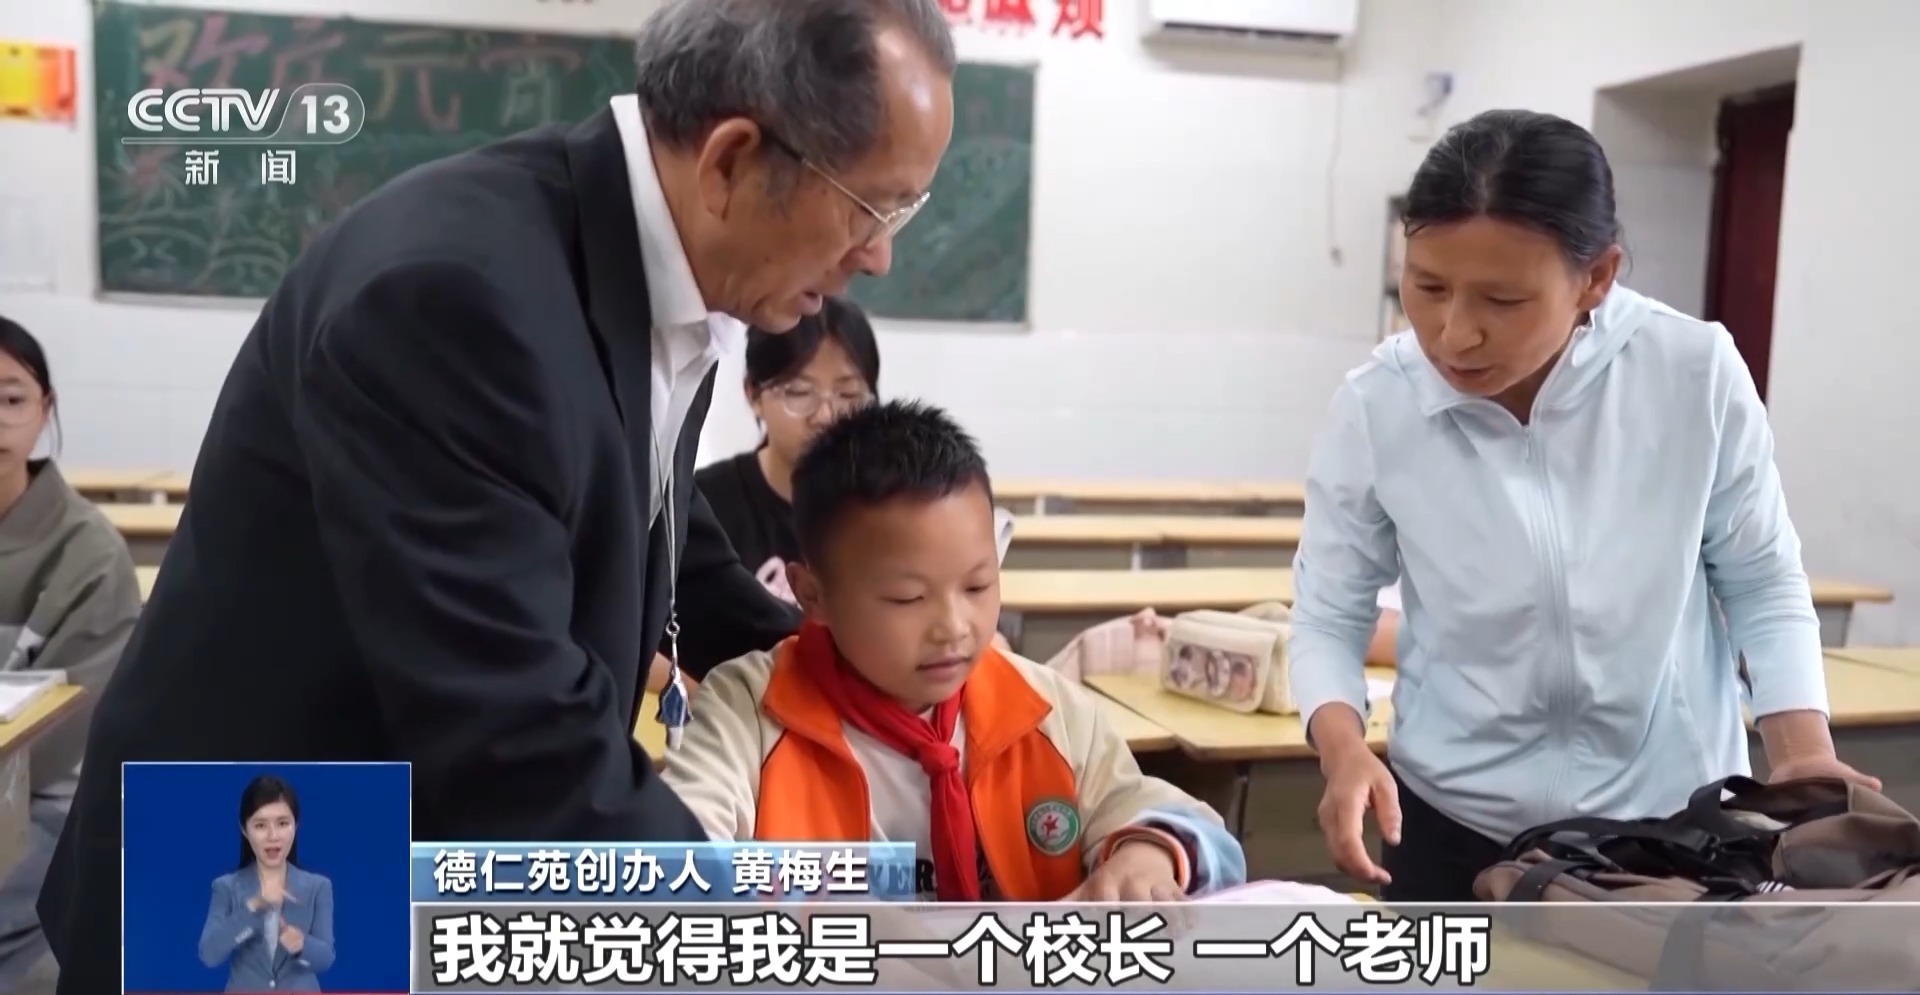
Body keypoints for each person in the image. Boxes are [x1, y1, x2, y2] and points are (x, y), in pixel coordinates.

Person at [42, 1, 958, 988]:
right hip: (251, 851)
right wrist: (760, 936)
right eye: (872, 208)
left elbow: (643, 518)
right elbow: (519, 735)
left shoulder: (644, 263)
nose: (879, 256)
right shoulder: (458, 300)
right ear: (731, 160)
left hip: (385, 826)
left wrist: (853, 662)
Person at [1287, 109, 1872, 903]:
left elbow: (1761, 577)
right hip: (1448, 825)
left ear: (1596, 277)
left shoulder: (1691, 372)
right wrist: (1342, 746)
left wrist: (1800, 750)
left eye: (1502, 299)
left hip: (1669, 829)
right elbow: (1329, 611)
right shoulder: (1378, 405)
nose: (1454, 335)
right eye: (1427, 287)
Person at [663, 400, 1246, 901]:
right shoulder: (751, 711)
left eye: (977, 586)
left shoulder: (1045, 711)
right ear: (812, 595)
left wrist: (1148, 853)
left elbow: (1198, 834)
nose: (954, 627)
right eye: (907, 598)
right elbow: (678, 855)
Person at [0, 318, 141, 988]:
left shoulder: (88, 552)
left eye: (11, 398)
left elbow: (62, 735)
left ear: (45, 408)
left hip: (38, 797)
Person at [696, 296, 881, 602]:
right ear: (753, 394)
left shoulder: (891, 511)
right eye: (799, 392)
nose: (826, 416)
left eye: (848, 394)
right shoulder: (703, 508)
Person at [198, 776, 334, 993]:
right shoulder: (226, 887)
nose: (273, 836)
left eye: (282, 823)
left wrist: (301, 945)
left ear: (296, 825)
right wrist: (254, 906)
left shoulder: (318, 887)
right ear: (245, 829)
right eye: (260, 825)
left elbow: (325, 958)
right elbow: (209, 954)